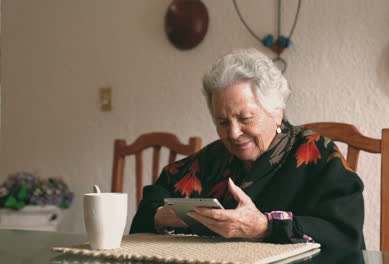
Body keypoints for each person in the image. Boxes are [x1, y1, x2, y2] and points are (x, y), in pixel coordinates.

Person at [130, 48, 365, 249]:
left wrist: (264, 227)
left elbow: (344, 234)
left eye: (245, 118)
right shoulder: (214, 158)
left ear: (276, 112)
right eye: (222, 122)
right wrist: (161, 216)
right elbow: (157, 196)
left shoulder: (316, 153)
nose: (233, 133)